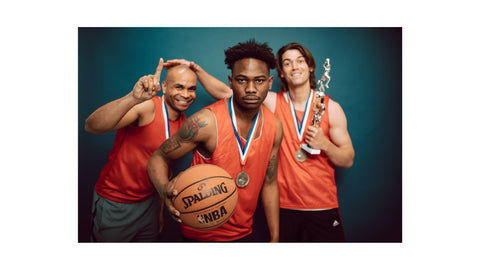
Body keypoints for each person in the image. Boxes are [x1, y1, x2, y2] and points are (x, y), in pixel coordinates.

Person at [168, 42, 355, 242]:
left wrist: (325, 144)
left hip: (322, 205)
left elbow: (347, 160)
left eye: (300, 61)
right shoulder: (272, 101)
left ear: (310, 67)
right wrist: (196, 69)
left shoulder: (330, 108)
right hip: (283, 207)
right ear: (281, 72)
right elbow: (229, 92)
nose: (295, 66)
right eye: (287, 63)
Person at [147, 39, 283, 242]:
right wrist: (164, 188)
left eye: (260, 80)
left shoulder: (274, 126)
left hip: (245, 234)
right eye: (242, 80)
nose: (251, 88)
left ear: (270, 83)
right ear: (230, 81)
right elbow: (157, 158)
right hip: (199, 235)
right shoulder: (205, 122)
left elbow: (270, 183)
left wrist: (274, 238)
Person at [85, 58, 200, 242]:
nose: (186, 94)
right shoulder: (147, 107)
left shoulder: (184, 124)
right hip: (116, 202)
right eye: (179, 87)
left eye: (191, 89)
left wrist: (159, 209)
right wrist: (133, 98)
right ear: (164, 86)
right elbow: (92, 126)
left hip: (150, 205)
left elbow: (166, 167)